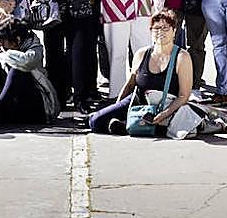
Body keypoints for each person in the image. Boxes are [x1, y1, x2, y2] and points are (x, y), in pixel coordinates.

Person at [87, 9, 210, 139]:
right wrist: (117, 109)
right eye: (156, 28)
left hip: (169, 105)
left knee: (170, 128)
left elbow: (183, 96)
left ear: (174, 31)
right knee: (96, 121)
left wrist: (165, 114)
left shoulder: (182, 57)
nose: (160, 32)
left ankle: (129, 127)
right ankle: (123, 124)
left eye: (165, 28)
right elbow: (129, 85)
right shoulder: (141, 54)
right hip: (140, 102)